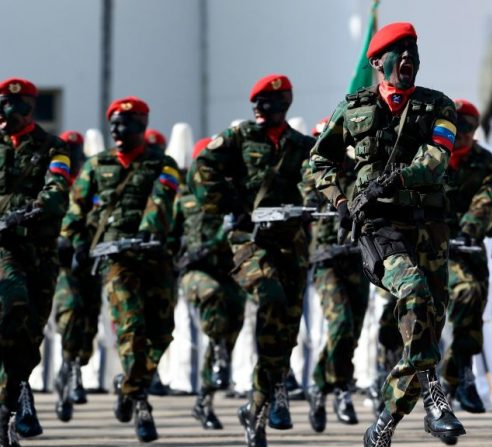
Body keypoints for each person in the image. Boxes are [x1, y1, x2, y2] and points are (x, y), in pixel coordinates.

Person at [310, 22, 465, 447]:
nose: (409, 58)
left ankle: (384, 424)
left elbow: (436, 159)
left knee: (426, 327)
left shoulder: (439, 106)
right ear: (378, 62)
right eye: (399, 51)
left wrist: (393, 181)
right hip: (379, 228)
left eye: (414, 50)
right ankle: (436, 397)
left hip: (428, 228)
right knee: (413, 293)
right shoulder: (354, 108)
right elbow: (318, 161)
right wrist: (342, 202)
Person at [190, 74, 315, 447]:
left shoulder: (302, 146)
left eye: (267, 103)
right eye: (256, 103)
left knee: (285, 332)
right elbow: (203, 168)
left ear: (284, 104)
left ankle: (259, 406)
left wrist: (314, 202)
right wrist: (231, 204)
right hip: (250, 243)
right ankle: (273, 385)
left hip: (291, 248)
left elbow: (319, 177)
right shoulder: (240, 137)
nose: (258, 109)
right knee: (271, 296)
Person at [62, 96, 180, 443]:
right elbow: (77, 207)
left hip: (154, 255)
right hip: (115, 259)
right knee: (131, 326)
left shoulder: (165, 163)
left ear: (142, 125)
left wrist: (149, 227)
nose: (117, 129)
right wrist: (72, 239)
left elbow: (163, 197)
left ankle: (128, 386)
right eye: (113, 123)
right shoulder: (97, 166)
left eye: (125, 123)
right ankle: (141, 402)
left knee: (161, 332)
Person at [0, 78, 71, 446]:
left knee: (28, 333)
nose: (4, 112)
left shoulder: (53, 148)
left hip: (37, 252)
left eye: (11, 104)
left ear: (28, 107)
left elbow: (57, 189)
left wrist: (32, 211)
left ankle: (15, 394)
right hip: (2, 250)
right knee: (11, 308)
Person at [171, 137, 246, 429]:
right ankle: (217, 355)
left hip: (228, 270)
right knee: (213, 297)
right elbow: (168, 233)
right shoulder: (184, 197)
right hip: (195, 272)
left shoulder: (233, 195)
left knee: (231, 327)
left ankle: (204, 399)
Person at [304, 116, 370, 432]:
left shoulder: (358, 171)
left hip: (357, 259)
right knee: (340, 323)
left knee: (350, 332)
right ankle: (341, 388)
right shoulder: (311, 174)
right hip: (326, 260)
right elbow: (305, 202)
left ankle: (319, 385)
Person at [440, 99, 492, 417]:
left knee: (469, 302)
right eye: (455, 126)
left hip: (466, 252)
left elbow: (490, 202)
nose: (460, 134)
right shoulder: (430, 158)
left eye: (466, 127)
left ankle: (459, 376)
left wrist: (477, 227)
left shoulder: (490, 165)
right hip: (430, 251)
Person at [53, 130, 101, 423]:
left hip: (90, 259)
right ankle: (69, 375)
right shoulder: (51, 178)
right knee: (69, 312)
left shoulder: (92, 178)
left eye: (76, 149)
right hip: (59, 262)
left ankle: (73, 366)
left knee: (89, 322)